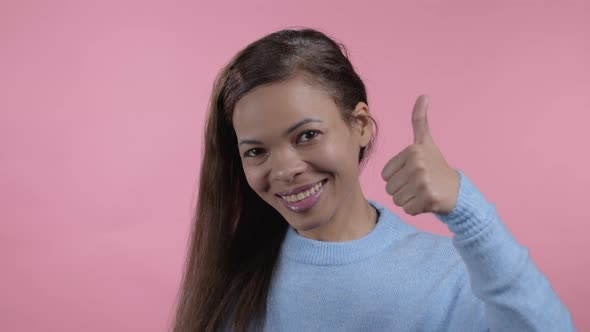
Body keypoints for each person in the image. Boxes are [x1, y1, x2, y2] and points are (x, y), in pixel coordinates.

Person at [171, 28, 575, 332]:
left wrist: (468, 212)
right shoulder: (233, 283)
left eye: (307, 135)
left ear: (360, 126)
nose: (284, 169)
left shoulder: (448, 276)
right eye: (256, 151)